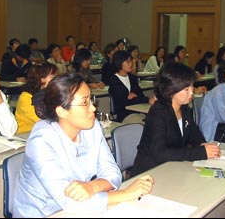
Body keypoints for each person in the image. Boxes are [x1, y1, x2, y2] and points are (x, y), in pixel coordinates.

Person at [12, 72, 154, 217]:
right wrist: (125, 194)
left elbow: (112, 172)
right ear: (62, 111)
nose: (93, 108)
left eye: (91, 100)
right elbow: (70, 202)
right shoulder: (41, 140)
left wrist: (93, 186)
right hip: (43, 213)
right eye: (85, 102)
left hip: (82, 208)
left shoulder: (92, 127)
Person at [131, 62, 220, 177]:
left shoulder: (184, 107)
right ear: (171, 90)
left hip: (172, 167)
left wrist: (203, 144)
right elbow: (160, 153)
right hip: (151, 172)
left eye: (192, 87)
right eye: (186, 89)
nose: (192, 92)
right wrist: (201, 152)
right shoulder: (158, 112)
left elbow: (194, 133)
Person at [109, 50, 155, 123]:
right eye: (127, 62)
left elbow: (140, 95)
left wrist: (135, 97)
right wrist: (145, 99)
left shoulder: (132, 78)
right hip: (125, 115)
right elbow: (124, 102)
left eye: (130, 61)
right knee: (144, 124)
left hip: (138, 112)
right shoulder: (114, 80)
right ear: (119, 63)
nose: (131, 64)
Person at [15, 63, 57, 134]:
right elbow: (41, 120)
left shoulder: (50, 94)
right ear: (41, 79)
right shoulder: (26, 97)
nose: (57, 80)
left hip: (43, 132)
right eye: (52, 77)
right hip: (25, 134)